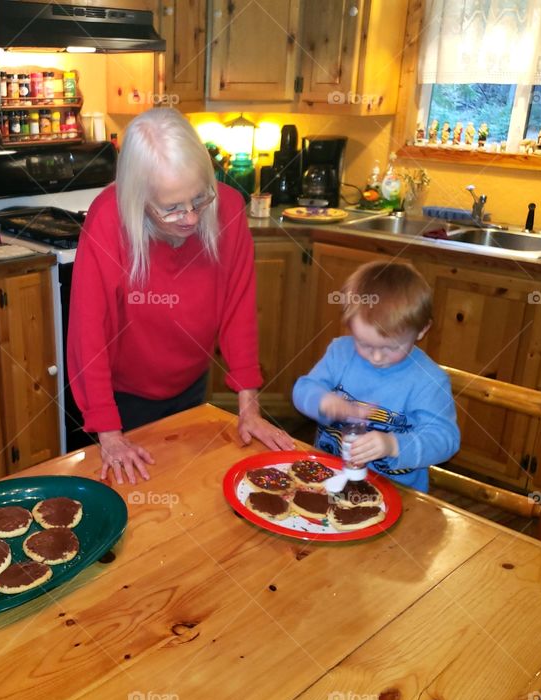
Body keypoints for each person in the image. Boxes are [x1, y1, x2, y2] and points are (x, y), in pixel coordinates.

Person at [67, 108, 294, 485]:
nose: (190, 217)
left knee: (186, 487)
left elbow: (237, 310)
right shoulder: (108, 220)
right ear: (138, 198)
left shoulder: (229, 208)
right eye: (171, 208)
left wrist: (249, 407)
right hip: (122, 398)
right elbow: (88, 332)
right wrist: (108, 433)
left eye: (199, 199)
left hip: (191, 381)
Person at [292, 262, 459, 492]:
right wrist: (322, 401)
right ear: (350, 326)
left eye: (391, 347)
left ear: (422, 330)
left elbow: (445, 439)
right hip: (328, 477)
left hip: (396, 492)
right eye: (364, 344)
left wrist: (393, 445)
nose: (377, 357)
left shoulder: (428, 381)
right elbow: (303, 389)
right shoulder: (340, 352)